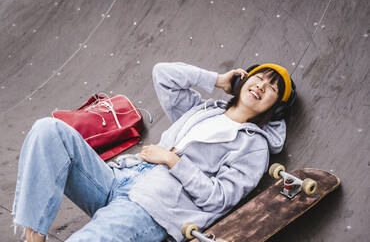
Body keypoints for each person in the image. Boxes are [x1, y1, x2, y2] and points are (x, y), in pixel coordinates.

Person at [11, 62, 295, 242]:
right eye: (259, 78)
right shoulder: (203, 109)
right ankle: (34, 238)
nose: (261, 86)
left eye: (271, 88)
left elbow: (220, 198)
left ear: (275, 107)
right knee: (49, 130)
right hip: (118, 180)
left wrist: (173, 161)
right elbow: (164, 75)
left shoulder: (254, 146)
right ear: (242, 81)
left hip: (153, 207)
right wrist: (217, 79)